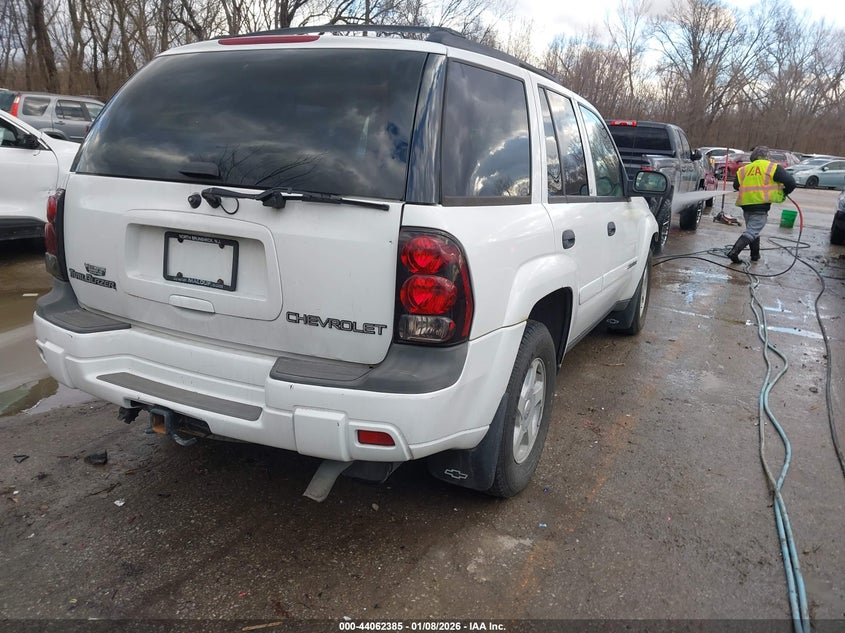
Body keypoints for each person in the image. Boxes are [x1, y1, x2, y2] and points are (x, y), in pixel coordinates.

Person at [727, 146, 796, 263]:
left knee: (753, 230)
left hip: (746, 205)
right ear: (767, 156)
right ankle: (734, 252)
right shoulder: (772, 167)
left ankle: (755, 255)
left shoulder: (744, 169)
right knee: (752, 231)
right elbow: (791, 182)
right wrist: (784, 192)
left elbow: (735, 186)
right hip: (760, 205)